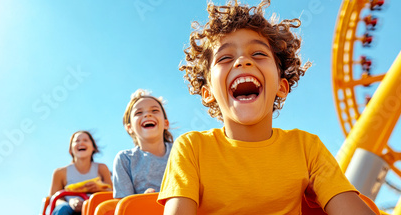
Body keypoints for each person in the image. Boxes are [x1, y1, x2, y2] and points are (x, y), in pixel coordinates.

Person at [157, 1, 378, 214]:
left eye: (258, 54)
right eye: (225, 57)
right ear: (208, 93)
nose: (242, 61)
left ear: (282, 86)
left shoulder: (307, 148)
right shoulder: (191, 148)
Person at [112, 89, 173, 198]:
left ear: (166, 123)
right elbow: (124, 204)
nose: (147, 115)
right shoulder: (125, 159)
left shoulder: (181, 152)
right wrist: (142, 201)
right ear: (129, 128)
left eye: (154, 110)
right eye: (139, 113)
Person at [49, 130, 113, 215]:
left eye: (85, 140)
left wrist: (99, 189)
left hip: (93, 208)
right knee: (63, 208)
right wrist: (71, 202)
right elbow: (54, 199)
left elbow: (112, 194)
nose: (81, 143)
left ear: (93, 147)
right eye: (77, 141)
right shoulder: (60, 172)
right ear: (70, 150)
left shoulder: (102, 168)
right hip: (69, 209)